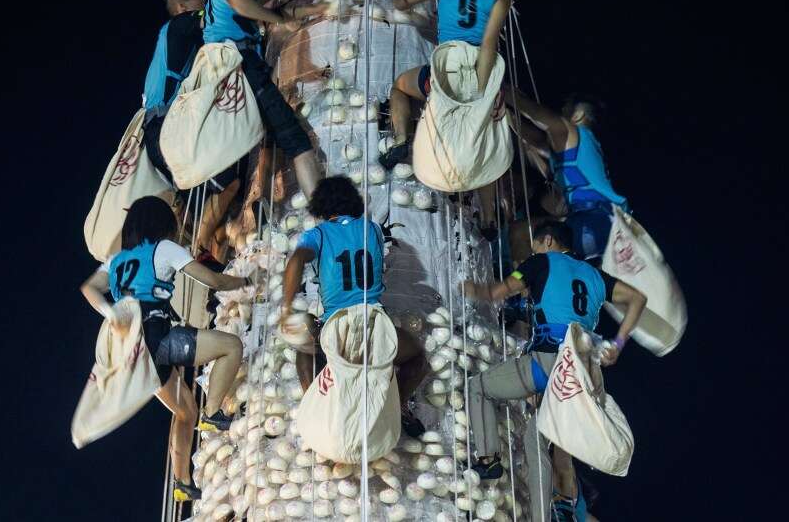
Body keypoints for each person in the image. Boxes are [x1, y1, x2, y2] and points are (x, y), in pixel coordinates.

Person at [79, 196, 251, 502]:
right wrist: (246, 279)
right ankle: (212, 413)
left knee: (184, 410)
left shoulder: (115, 261)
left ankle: (182, 481)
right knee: (230, 346)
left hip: (133, 353)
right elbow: (211, 279)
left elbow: (89, 288)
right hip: (157, 338)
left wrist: (110, 312)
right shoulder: (163, 248)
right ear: (162, 224)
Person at [460, 220, 646, 493]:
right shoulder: (595, 275)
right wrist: (617, 343)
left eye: (535, 244)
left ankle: (488, 460)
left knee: (478, 387)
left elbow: (497, 292)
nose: (534, 250)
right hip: (579, 371)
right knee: (537, 445)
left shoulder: (541, 262)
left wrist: (472, 289)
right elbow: (638, 298)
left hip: (547, 361)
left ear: (547, 241)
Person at [276, 176, 428, 436]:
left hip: (337, 328)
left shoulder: (318, 235)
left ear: (321, 209)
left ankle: (312, 403)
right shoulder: (373, 230)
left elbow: (297, 260)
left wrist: (286, 308)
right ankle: (399, 405)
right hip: (373, 325)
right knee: (417, 358)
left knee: (305, 346)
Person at [203, 0, 329, 196]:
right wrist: (280, 18)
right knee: (296, 140)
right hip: (241, 65)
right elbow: (241, 1)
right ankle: (325, 217)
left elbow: (264, 4)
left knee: (267, 138)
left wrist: (314, 8)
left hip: (222, 72)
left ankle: (261, 200)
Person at [379, 0, 512, 169]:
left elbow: (401, 3)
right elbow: (489, 44)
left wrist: (404, 3)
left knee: (399, 86)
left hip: (444, 72)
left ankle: (401, 140)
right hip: (475, 69)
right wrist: (482, 93)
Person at [513, 94, 628, 260]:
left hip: (593, 223)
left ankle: (523, 284)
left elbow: (539, 115)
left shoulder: (577, 134)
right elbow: (536, 142)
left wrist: (505, 92)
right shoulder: (581, 149)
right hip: (597, 224)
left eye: (564, 109)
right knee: (535, 234)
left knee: (521, 233)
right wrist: (507, 116)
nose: (560, 112)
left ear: (578, 114)